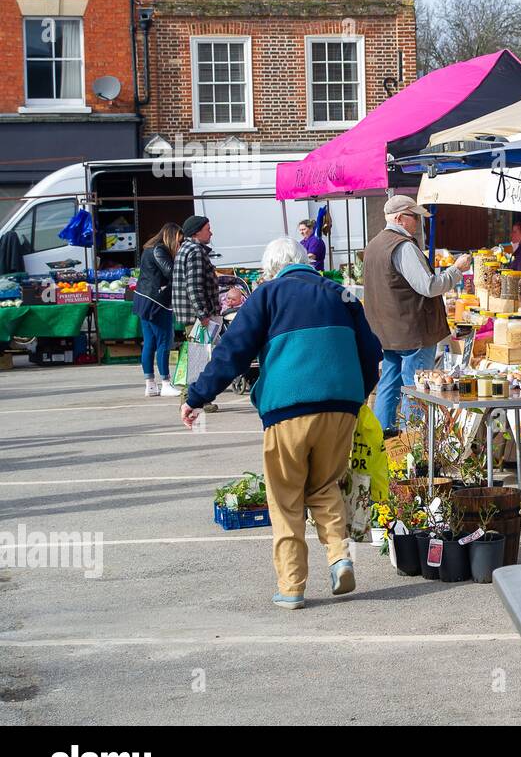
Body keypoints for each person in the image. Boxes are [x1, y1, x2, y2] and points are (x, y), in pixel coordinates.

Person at [181, 238, 382, 609]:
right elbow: (372, 350)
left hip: (288, 410)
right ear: (306, 262)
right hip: (341, 407)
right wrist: (356, 394)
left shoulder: (266, 295)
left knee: (286, 497)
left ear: (271, 270)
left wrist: (197, 396)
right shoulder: (343, 294)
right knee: (324, 486)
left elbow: (233, 352)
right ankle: (339, 556)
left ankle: (292, 588)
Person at [363, 195, 471, 433]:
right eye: (414, 217)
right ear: (400, 218)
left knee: (390, 384)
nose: (417, 224)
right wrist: (456, 270)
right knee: (417, 387)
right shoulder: (403, 246)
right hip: (413, 331)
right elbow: (429, 286)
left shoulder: (374, 245)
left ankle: (384, 440)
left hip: (388, 332)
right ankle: (413, 446)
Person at [172, 214, 222, 409]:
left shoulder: (186, 248)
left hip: (191, 313)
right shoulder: (194, 250)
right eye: (207, 228)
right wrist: (202, 314)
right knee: (198, 357)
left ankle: (196, 397)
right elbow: (194, 286)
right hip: (197, 315)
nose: (211, 232)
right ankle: (192, 399)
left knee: (197, 356)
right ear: (196, 232)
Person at [132, 222, 183, 398]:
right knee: (163, 342)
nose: (180, 245)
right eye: (179, 241)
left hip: (143, 299)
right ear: (171, 237)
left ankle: (150, 384)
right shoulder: (160, 250)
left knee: (149, 343)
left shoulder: (150, 248)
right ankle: (166, 382)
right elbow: (171, 272)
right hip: (157, 302)